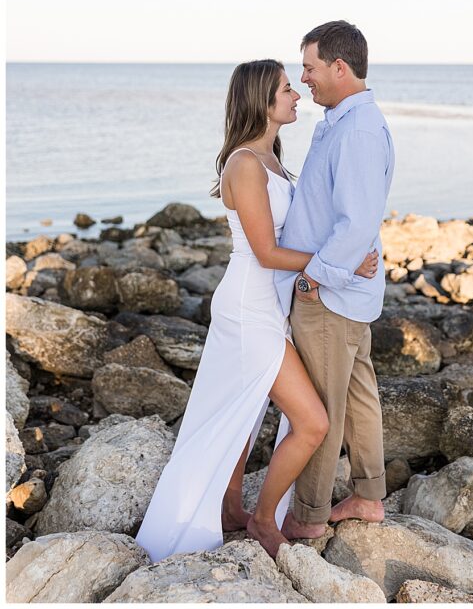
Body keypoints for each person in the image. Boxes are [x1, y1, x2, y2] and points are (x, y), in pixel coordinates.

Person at [136, 59, 379, 561]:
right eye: (287, 89)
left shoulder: (272, 160)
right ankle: (265, 520)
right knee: (311, 421)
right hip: (248, 307)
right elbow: (267, 252)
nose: (297, 95)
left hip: (270, 304)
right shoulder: (244, 164)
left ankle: (229, 507)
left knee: (243, 410)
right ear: (262, 101)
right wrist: (343, 263)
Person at [276, 20, 395, 541]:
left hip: (330, 293)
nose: (304, 79)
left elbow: (356, 222)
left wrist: (314, 280)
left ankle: (308, 516)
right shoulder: (344, 124)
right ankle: (368, 497)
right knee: (357, 393)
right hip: (346, 289)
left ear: (339, 68)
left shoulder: (359, 130)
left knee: (322, 406)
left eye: (310, 67)